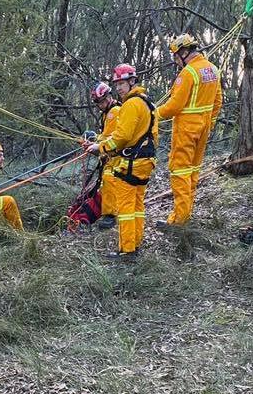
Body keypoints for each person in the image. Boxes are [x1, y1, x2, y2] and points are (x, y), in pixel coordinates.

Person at [84, 64, 158, 259]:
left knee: (126, 209)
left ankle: (127, 250)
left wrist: (100, 147)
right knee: (137, 206)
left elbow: (121, 136)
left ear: (132, 81)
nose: (119, 88)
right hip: (145, 160)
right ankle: (136, 243)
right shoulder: (146, 102)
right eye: (117, 85)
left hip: (132, 162)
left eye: (122, 84)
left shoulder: (131, 104)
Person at [155, 33, 223, 226]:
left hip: (186, 130)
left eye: (176, 57)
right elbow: (218, 101)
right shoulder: (213, 70)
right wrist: (210, 122)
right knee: (193, 172)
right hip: (203, 130)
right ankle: (185, 214)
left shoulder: (188, 73)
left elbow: (174, 107)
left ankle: (179, 220)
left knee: (179, 172)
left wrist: (152, 114)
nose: (176, 61)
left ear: (184, 52)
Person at [87, 81, 121, 230]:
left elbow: (112, 137)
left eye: (101, 102)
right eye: (97, 103)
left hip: (117, 155)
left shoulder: (114, 112)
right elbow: (106, 135)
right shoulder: (107, 113)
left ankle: (110, 215)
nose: (99, 105)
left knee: (109, 179)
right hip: (111, 153)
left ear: (108, 97)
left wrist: (97, 145)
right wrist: (94, 141)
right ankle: (108, 212)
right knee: (106, 181)